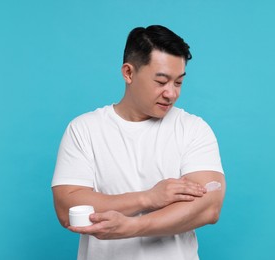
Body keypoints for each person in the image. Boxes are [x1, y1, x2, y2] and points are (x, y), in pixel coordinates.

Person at [51, 25, 226, 260]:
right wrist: (148, 198)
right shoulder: (84, 129)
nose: (171, 93)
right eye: (161, 81)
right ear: (129, 73)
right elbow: (67, 207)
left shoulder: (193, 129)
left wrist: (132, 227)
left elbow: (208, 207)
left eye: (178, 82)